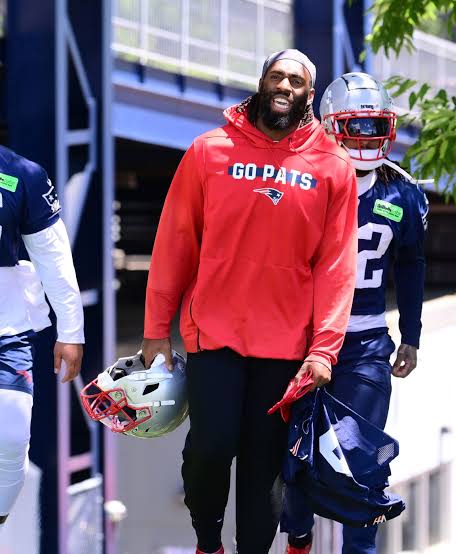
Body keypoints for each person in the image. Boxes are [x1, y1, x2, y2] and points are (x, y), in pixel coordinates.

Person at [141, 49, 358, 554]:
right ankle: (207, 542)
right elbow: (175, 242)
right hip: (213, 332)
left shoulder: (333, 166)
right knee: (211, 448)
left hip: (285, 345)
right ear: (261, 82)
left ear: (309, 94)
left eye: (297, 81)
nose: (285, 86)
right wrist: (156, 329)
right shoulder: (208, 151)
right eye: (277, 76)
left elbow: (336, 266)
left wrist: (324, 349)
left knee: (264, 470)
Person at [280, 73, 429, 554]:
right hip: (300, 341)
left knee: (361, 462)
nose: (365, 138)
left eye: (373, 126)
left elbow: (412, 265)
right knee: (296, 456)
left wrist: (412, 334)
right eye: (355, 127)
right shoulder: (303, 180)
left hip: (364, 343)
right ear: (329, 126)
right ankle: (298, 539)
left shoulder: (402, 194)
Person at [0, 146, 84, 531]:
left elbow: (52, 255)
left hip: (7, 332)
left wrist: (71, 330)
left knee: (14, 434)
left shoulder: (22, 173)